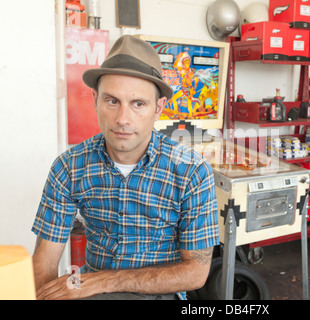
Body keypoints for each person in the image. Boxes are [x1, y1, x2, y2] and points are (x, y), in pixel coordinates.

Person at [31, 35, 219, 300]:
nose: (122, 119)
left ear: (159, 108)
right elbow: (45, 260)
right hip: (92, 290)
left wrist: (101, 282)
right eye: (112, 101)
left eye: (138, 104)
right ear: (95, 99)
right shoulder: (69, 167)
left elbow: (196, 273)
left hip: (160, 293)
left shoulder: (191, 172)